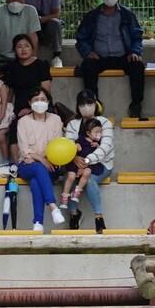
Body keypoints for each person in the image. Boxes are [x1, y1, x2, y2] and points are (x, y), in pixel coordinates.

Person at [75, 0, 146, 119]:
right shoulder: (92, 16)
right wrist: (88, 52)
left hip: (124, 56)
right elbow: (81, 38)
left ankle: (136, 105)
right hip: (99, 57)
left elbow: (137, 36)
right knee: (87, 67)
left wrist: (135, 52)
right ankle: (94, 104)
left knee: (137, 66)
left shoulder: (127, 15)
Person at [62, 90, 115, 232]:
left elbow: (105, 147)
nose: (86, 106)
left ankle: (99, 218)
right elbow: (68, 144)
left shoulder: (105, 123)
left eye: (89, 103)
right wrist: (73, 158)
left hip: (101, 163)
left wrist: (86, 160)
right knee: (70, 177)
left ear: (96, 104)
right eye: (82, 104)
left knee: (89, 179)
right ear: (77, 107)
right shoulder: (73, 124)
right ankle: (74, 215)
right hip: (77, 161)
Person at [13, 86, 63, 232]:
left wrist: (40, 158)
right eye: (36, 100)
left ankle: (38, 223)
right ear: (29, 102)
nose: (40, 102)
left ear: (48, 101)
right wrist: (41, 159)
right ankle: (53, 206)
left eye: (43, 99)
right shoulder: (23, 121)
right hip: (27, 165)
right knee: (38, 168)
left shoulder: (56, 119)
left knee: (36, 182)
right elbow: (24, 149)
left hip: (51, 164)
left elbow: (56, 144)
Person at [2, 34, 52, 132]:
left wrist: (31, 109)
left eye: (26, 46)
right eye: (19, 46)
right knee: (14, 131)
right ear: (15, 50)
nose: (23, 49)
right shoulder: (12, 67)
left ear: (32, 48)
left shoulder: (41, 65)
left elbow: (46, 92)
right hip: (19, 109)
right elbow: (9, 94)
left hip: (40, 106)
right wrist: (6, 111)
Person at [61, 117, 106, 217]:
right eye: (96, 132)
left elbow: (100, 154)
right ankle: (64, 196)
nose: (99, 134)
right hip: (76, 164)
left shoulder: (97, 144)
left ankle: (77, 191)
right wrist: (76, 146)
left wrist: (98, 146)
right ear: (88, 133)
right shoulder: (80, 139)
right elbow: (74, 146)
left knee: (87, 173)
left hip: (90, 165)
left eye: (100, 132)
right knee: (71, 176)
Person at [0, 0, 39, 65]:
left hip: (24, 57)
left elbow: (33, 37)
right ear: (6, 0)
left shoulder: (30, 11)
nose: (15, 1)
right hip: (2, 57)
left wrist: (33, 60)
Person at [22, 0, 62, 66]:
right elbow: (24, 13)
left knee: (55, 23)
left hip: (46, 26)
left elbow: (56, 14)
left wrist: (41, 19)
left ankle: (57, 56)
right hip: (31, 27)